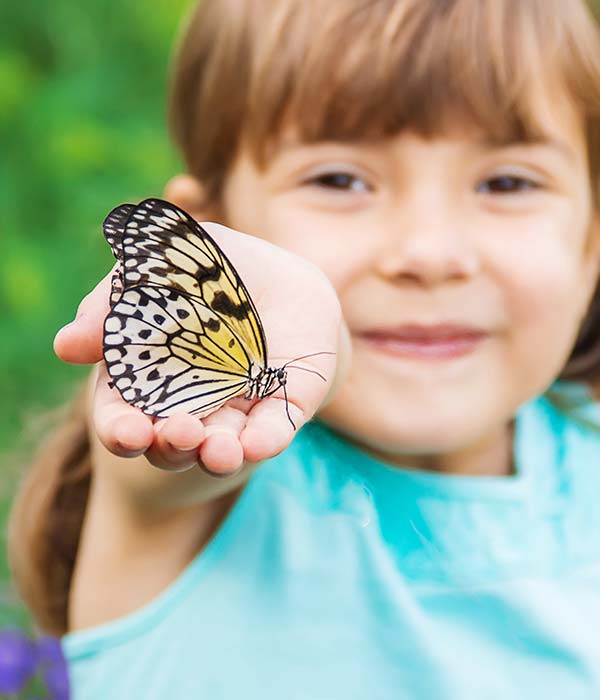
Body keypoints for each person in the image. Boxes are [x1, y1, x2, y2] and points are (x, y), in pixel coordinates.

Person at [9, 0, 600, 697]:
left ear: (592, 241)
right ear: (218, 225)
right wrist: (305, 317)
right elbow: (279, 385)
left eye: (507, 183)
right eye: (339, 180)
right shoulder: (197, 490)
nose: (429, 254)